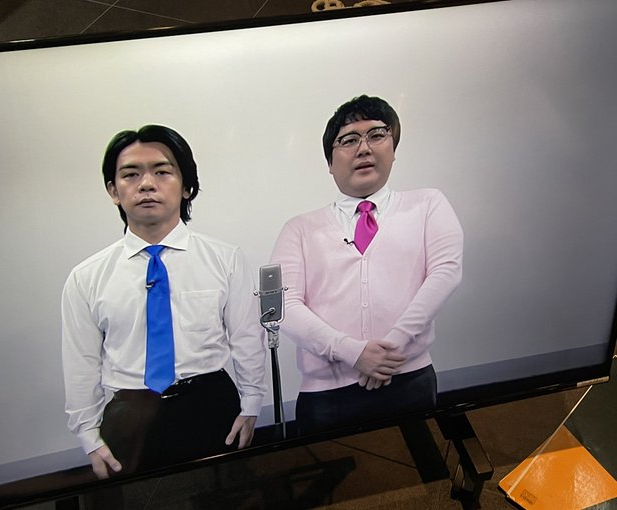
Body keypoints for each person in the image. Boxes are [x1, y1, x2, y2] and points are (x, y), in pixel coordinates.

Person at [62, 125, 267, 479]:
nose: (146, 184)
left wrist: (251, 404)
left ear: (187, 186)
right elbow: (80, 362)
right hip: (130, 413)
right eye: (131, 174)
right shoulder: (86, 277)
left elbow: (247, 338)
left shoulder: (225, 259)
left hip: (211, 403)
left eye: (161, 171)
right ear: (113, 191)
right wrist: (89, 436)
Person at [270, 95, 463, 434]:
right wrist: (352, 352)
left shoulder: (427, 204)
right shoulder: (299, 228)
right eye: (348, 140)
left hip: (408, 379)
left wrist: (389, 350)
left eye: (376, 135)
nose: (363, 148)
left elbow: (445, 273)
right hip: (325, 394)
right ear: (330, 162)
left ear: (393, 148)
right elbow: (283, 305)